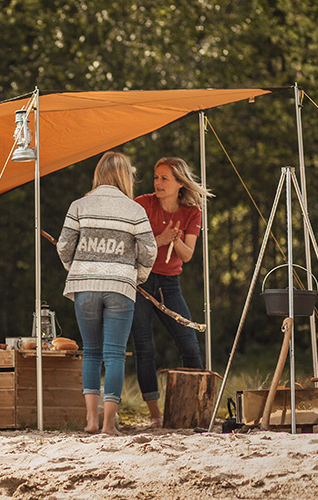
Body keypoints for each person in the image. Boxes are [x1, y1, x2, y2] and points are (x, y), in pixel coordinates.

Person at [57, 152, 156, 435]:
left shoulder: (79, 205)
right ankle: (109, 425)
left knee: (91, 352)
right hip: (120, 287)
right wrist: (136, 276)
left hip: (85, 286)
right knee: (114, 354)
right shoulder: (134, 209)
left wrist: (75, 268)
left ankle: (90, 420)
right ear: (125, 176)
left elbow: (64, 246)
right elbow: (149, 250)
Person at [130, 157, 211, 428]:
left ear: (179, 183)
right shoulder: (142, 204)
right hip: (140, 281)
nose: (158, 183)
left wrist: (174, 240)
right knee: (144, 347)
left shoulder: (191, 212)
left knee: (189, 343)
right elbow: (129, 246)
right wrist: (160, 240)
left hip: (169, 284)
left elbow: (187, 256)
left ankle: (197, 408)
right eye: (156, 177)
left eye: (164, 178)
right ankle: (155, 415)